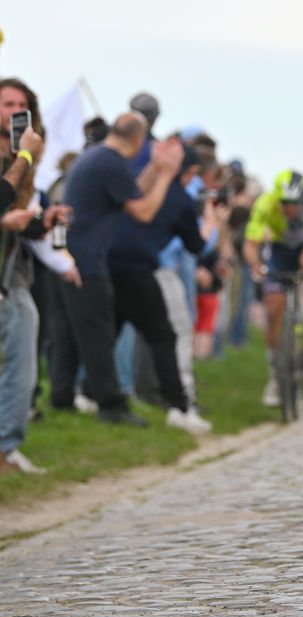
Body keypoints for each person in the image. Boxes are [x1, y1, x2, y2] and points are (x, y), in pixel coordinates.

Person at [58, 112, 184, 426]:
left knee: (72, 336)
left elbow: (132, 193)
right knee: (98, 336)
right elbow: (142, 211)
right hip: (89, 263)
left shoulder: (101, 158)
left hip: (74, 259)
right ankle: (111, 406)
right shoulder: (109, 162)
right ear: (139, 139)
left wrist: (155, 167)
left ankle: (62, 397)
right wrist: (167, 175)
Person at [105, 146, 213, 434]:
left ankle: (90, 392)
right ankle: (179, 406)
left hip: (109, 262)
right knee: (164, 336)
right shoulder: (178, 198)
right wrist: (212, 224)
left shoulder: (140, 184)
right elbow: (196, 246)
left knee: (109, 332)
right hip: (140, 268)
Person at [244, 169, 303, 407]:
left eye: (295, 203)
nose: (290, 208)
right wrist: (255, 265)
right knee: (273, 312)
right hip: (278, 254)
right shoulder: (265, 205)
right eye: (285, 203)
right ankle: (275, 374)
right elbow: (251, 244)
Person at [0, 84, 50, 475]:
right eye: (8, 104)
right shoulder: (20, 156)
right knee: (20, 355)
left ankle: (7, 447)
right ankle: (5, 447)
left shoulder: (18, 156)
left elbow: (13, 213)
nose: (16, 112)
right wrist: (26, 156)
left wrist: (40, 222)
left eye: (23, 106)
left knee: (22, 354)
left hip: (11, 270)